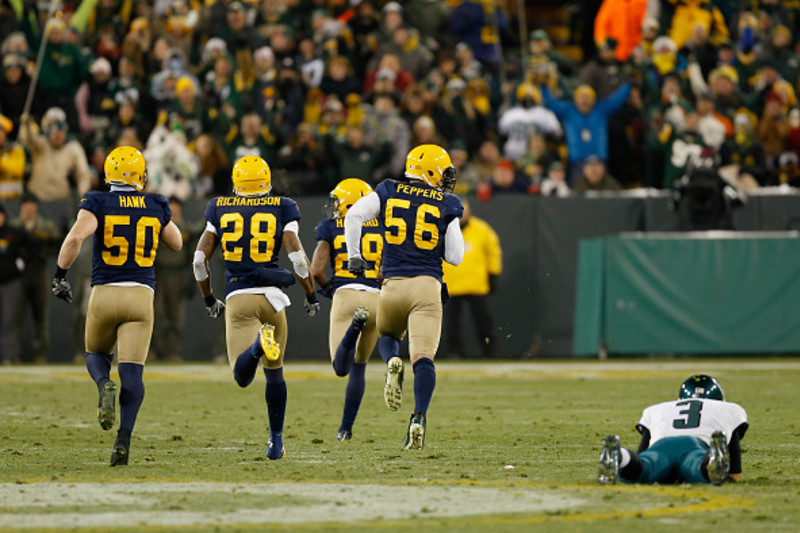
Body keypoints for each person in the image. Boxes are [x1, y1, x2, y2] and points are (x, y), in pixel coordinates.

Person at [51, 146, 183, 466]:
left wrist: (59, 276)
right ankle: (123, 438)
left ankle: (103, 383)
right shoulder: (155, 203)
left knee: (96, 354)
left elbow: (73, 240)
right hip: (140, 296)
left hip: (104, 293)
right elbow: (177, 243)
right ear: (140, 175)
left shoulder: (97, 201)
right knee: (133, 373)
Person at [193, 155, 319, 460]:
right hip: (274, 299)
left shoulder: (219, 206)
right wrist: (311, 295)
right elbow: (299, 259)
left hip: (240, 297)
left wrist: (209, 298)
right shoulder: (283, 206)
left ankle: (256, 348)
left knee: (242, 375)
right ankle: (276, 441)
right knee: (275, 374)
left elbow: (199, 261)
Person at [345, 144, 464, 449]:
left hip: (392, 285)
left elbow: (354, 215)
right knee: (424, 358)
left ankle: (391, 362)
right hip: (426, 286)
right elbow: (455, 256)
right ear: (430, 171)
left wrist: (355, 257)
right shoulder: (446, 202)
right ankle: (419, 417)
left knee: (386, 335)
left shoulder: (387, 189)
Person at [310, 179, 383, 441]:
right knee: (360, 367)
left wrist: (328, 288)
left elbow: (316, 270)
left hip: (345, 294)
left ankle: (354, 328)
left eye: (339, 201)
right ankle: (346, 429)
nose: (335, 206)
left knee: (341, 368)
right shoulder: (385, 226)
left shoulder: (331, 226)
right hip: (377, 298)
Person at [598, 374, 748, 486]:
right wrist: (732, 474)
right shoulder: (728, 409)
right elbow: (735, 471)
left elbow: (642, 452)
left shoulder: (657, 409)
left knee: (644, 467)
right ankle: (711, 457)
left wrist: (639, 462)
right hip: (695, 445)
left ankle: (621, 456)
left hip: (661, 446)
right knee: (696, 466)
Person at [441, 199, 502, 358]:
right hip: (452, 284)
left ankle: (490, 351)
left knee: (484, 322)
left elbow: (493, 252)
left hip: (476, 283)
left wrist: (493, 273)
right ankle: (454, 352)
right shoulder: (444, 229)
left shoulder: (481, 229)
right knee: (452, 324)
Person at [11, 193, 60, 363]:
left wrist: (42, 250)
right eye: (26, 204)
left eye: (32, 204)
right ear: (22, 207)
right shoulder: (14, 225)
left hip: (39, 273)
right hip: (19, 276)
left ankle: (40, 353)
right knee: (15, 316)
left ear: (36, 206)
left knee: (41, 316)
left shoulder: (45, 226)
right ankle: (13, 353)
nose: (29, 207)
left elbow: (56, 245)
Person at [0, 203, 26, 365]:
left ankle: (10, 355)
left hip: (10, 283)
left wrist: (20, 265)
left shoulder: (13, 233)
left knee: (9, 320)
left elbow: (30, 247)